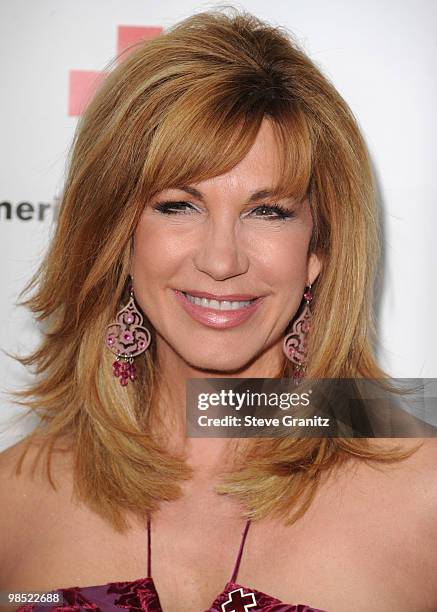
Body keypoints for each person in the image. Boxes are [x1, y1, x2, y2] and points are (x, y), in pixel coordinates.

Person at [1, 8, 436, 612]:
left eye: (269, 211)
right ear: (115, 237)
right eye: (179, 205)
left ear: (319, 249)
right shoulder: (15, 496)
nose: (222, 259)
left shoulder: (424, 493)